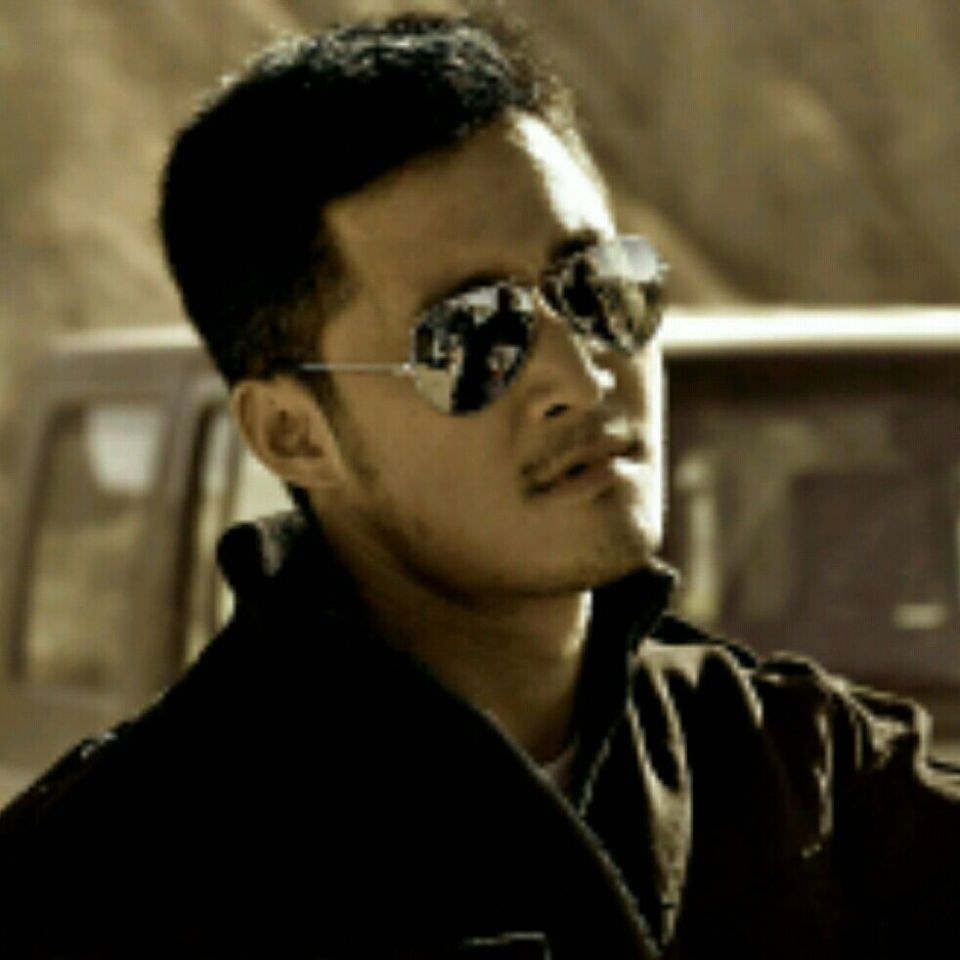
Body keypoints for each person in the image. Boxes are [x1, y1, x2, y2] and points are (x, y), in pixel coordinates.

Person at [1, 9, 959, 959]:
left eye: (597, 287)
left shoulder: (800, 777)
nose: (581, 376)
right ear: (293, 434)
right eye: (470, 337)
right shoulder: (116, 881)